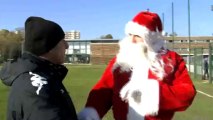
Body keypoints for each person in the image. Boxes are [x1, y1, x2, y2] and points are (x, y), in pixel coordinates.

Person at [78, 11, 196, 120]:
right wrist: (91, 113)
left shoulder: (171, 59)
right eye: (130, 34)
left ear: (152, 39)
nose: (132, 40)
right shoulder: (120, 61)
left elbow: (187, 92)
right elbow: (103, 92)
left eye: (138, 36)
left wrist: (153, 92)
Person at [0, 16, 78, 120]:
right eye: (62, 40)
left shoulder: (41, 74)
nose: (67, 45)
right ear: (48, 47)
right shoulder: (36, 87)